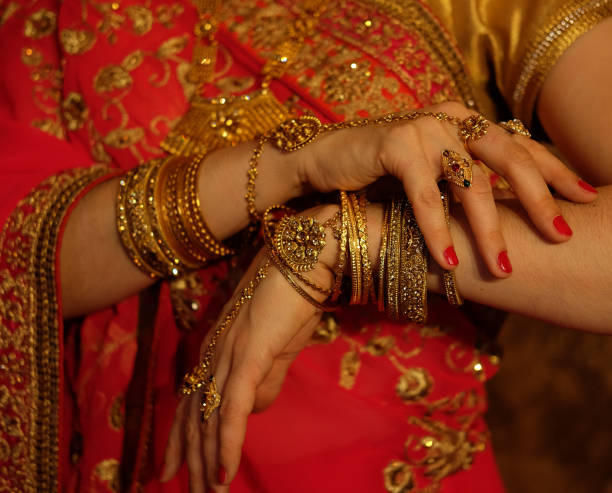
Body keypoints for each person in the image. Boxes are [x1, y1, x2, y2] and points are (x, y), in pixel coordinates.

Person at [0, 0, 611, 492]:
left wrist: (345, 240)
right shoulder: (37, 21)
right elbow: (24, 255)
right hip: (143, 461)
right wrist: (295, 163)